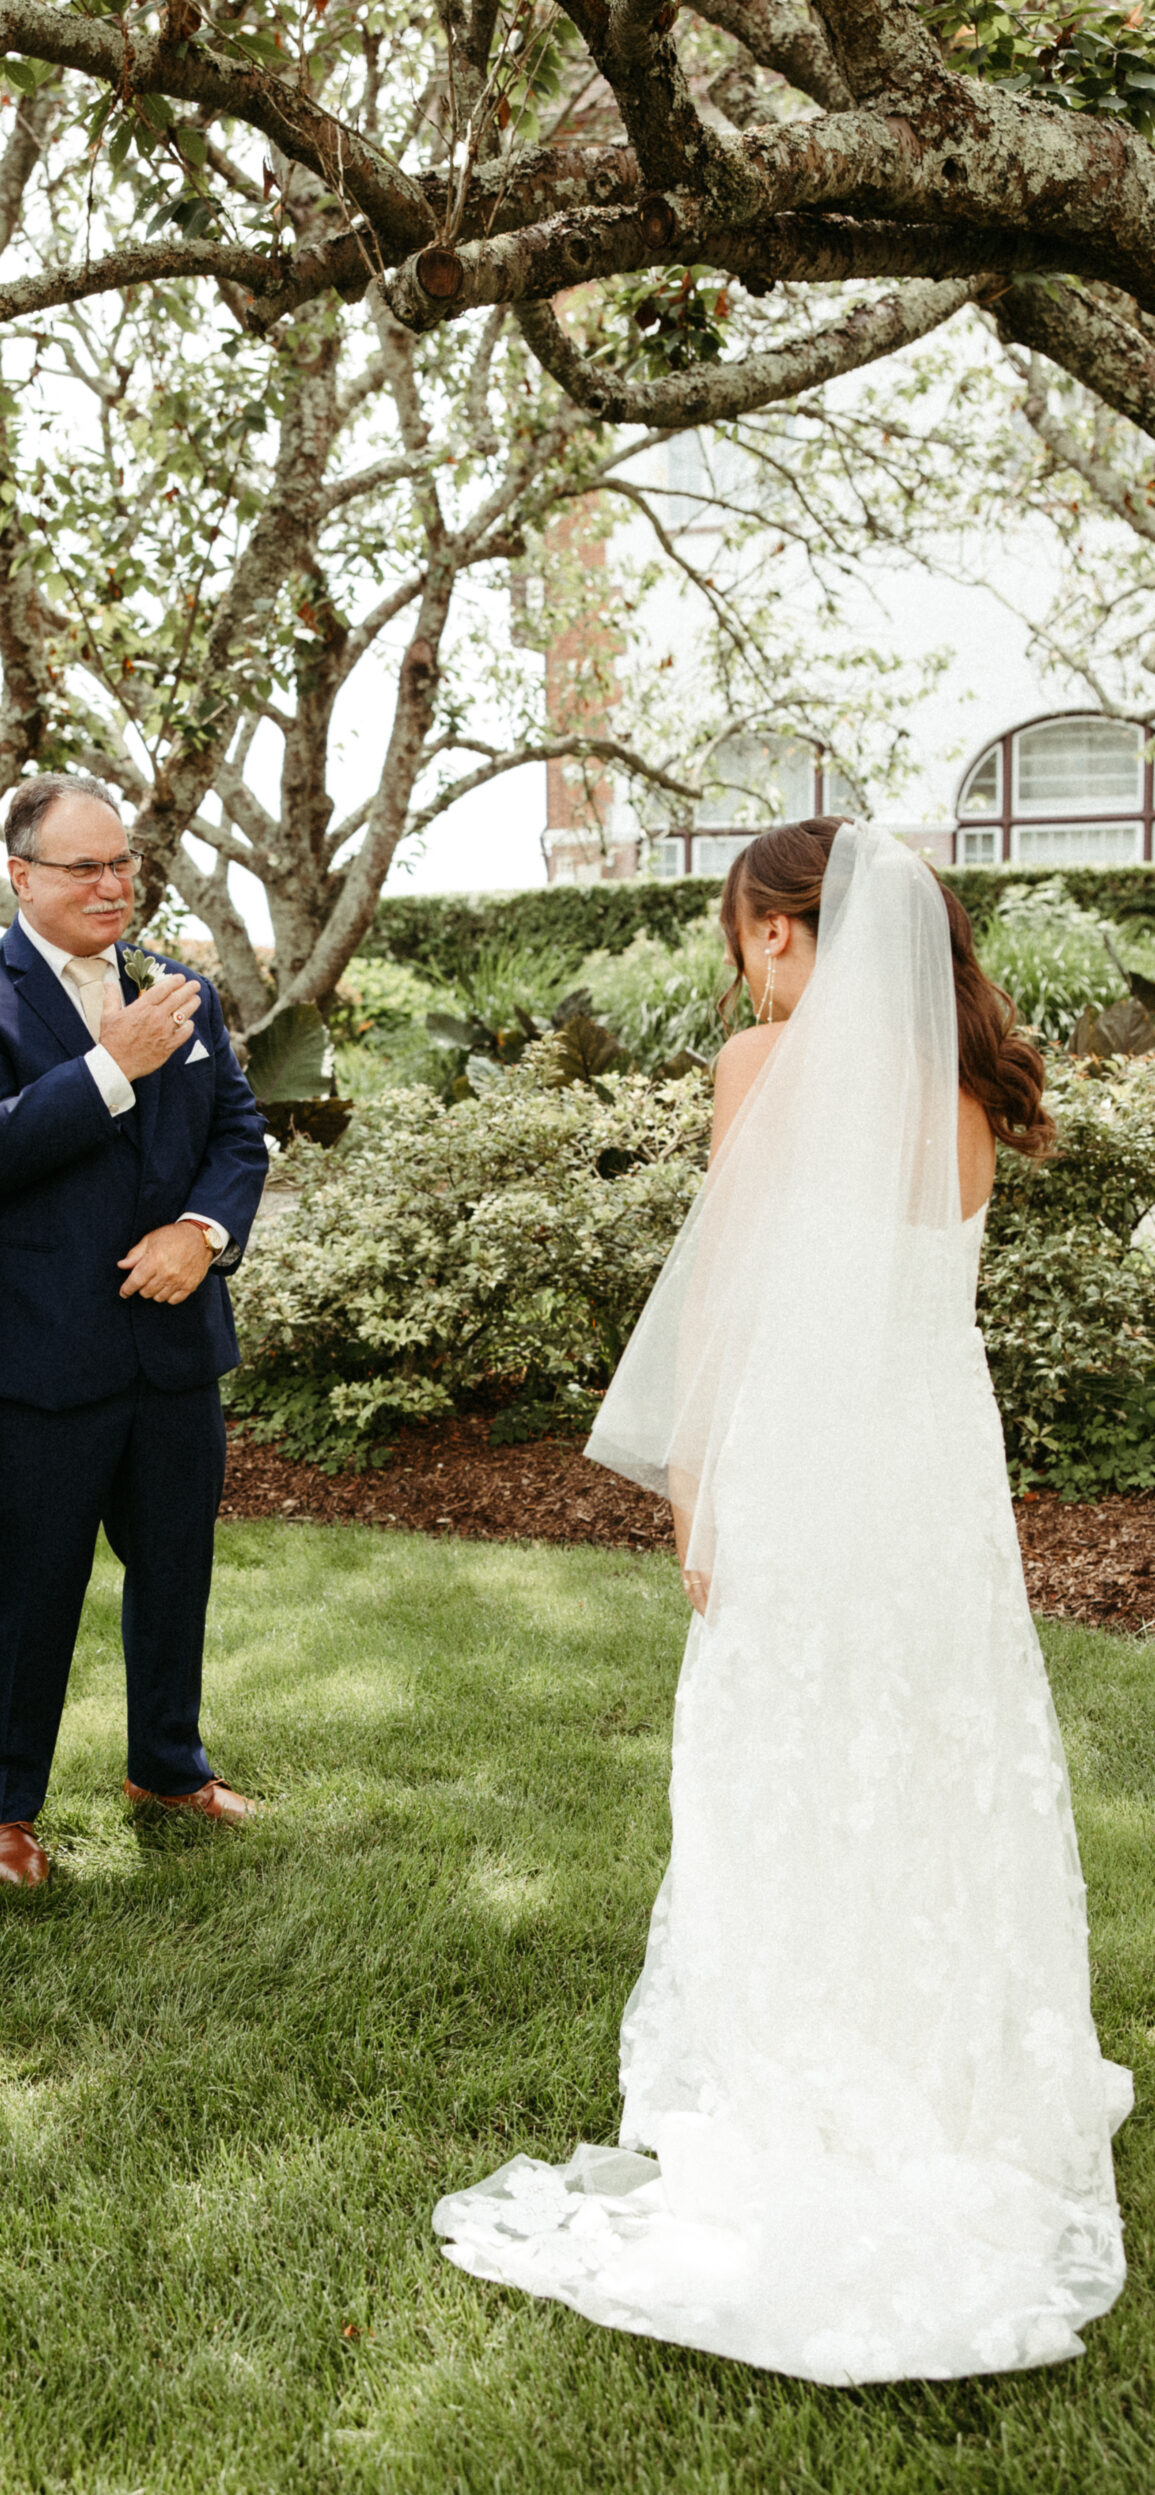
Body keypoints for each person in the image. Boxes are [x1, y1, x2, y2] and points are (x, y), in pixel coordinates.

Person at [435, 816, 1132, 2384]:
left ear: (772, 934)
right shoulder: (962, 1096)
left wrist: (695, 1486)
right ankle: (943, 2074)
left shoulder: (763, 1076)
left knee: (778, 1758)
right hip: (932, 1483)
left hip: (807, 1468)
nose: (739, 971)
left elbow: (732, 1303)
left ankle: (798, 2084)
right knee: (924, 1764)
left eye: (738, 937)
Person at [0, 774, 270, 1890]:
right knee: (33, 1587)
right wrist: (113, 1065)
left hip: (172, 1350)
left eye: (123, 862)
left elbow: (240, 1136)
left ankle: (168, 1764)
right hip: (34, 1357)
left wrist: (202, 1234)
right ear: (21, 876)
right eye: (86, 867)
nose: (114, 884)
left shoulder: (184, 993)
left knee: (175, 1568)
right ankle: (2, 1809)